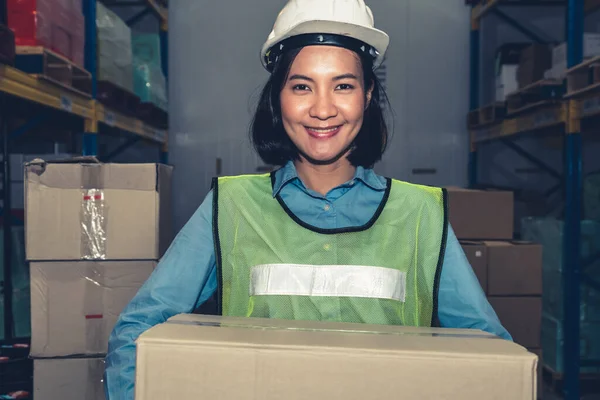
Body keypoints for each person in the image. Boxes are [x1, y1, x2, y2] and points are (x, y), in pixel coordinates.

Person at [104, 0, 511, 398]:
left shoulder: (421, 214)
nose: (322, 109)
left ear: (367, 96)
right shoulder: (231, 206)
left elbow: (490, 352)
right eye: (302, 86)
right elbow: (137, 330)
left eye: (343, 86)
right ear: (277, 98)